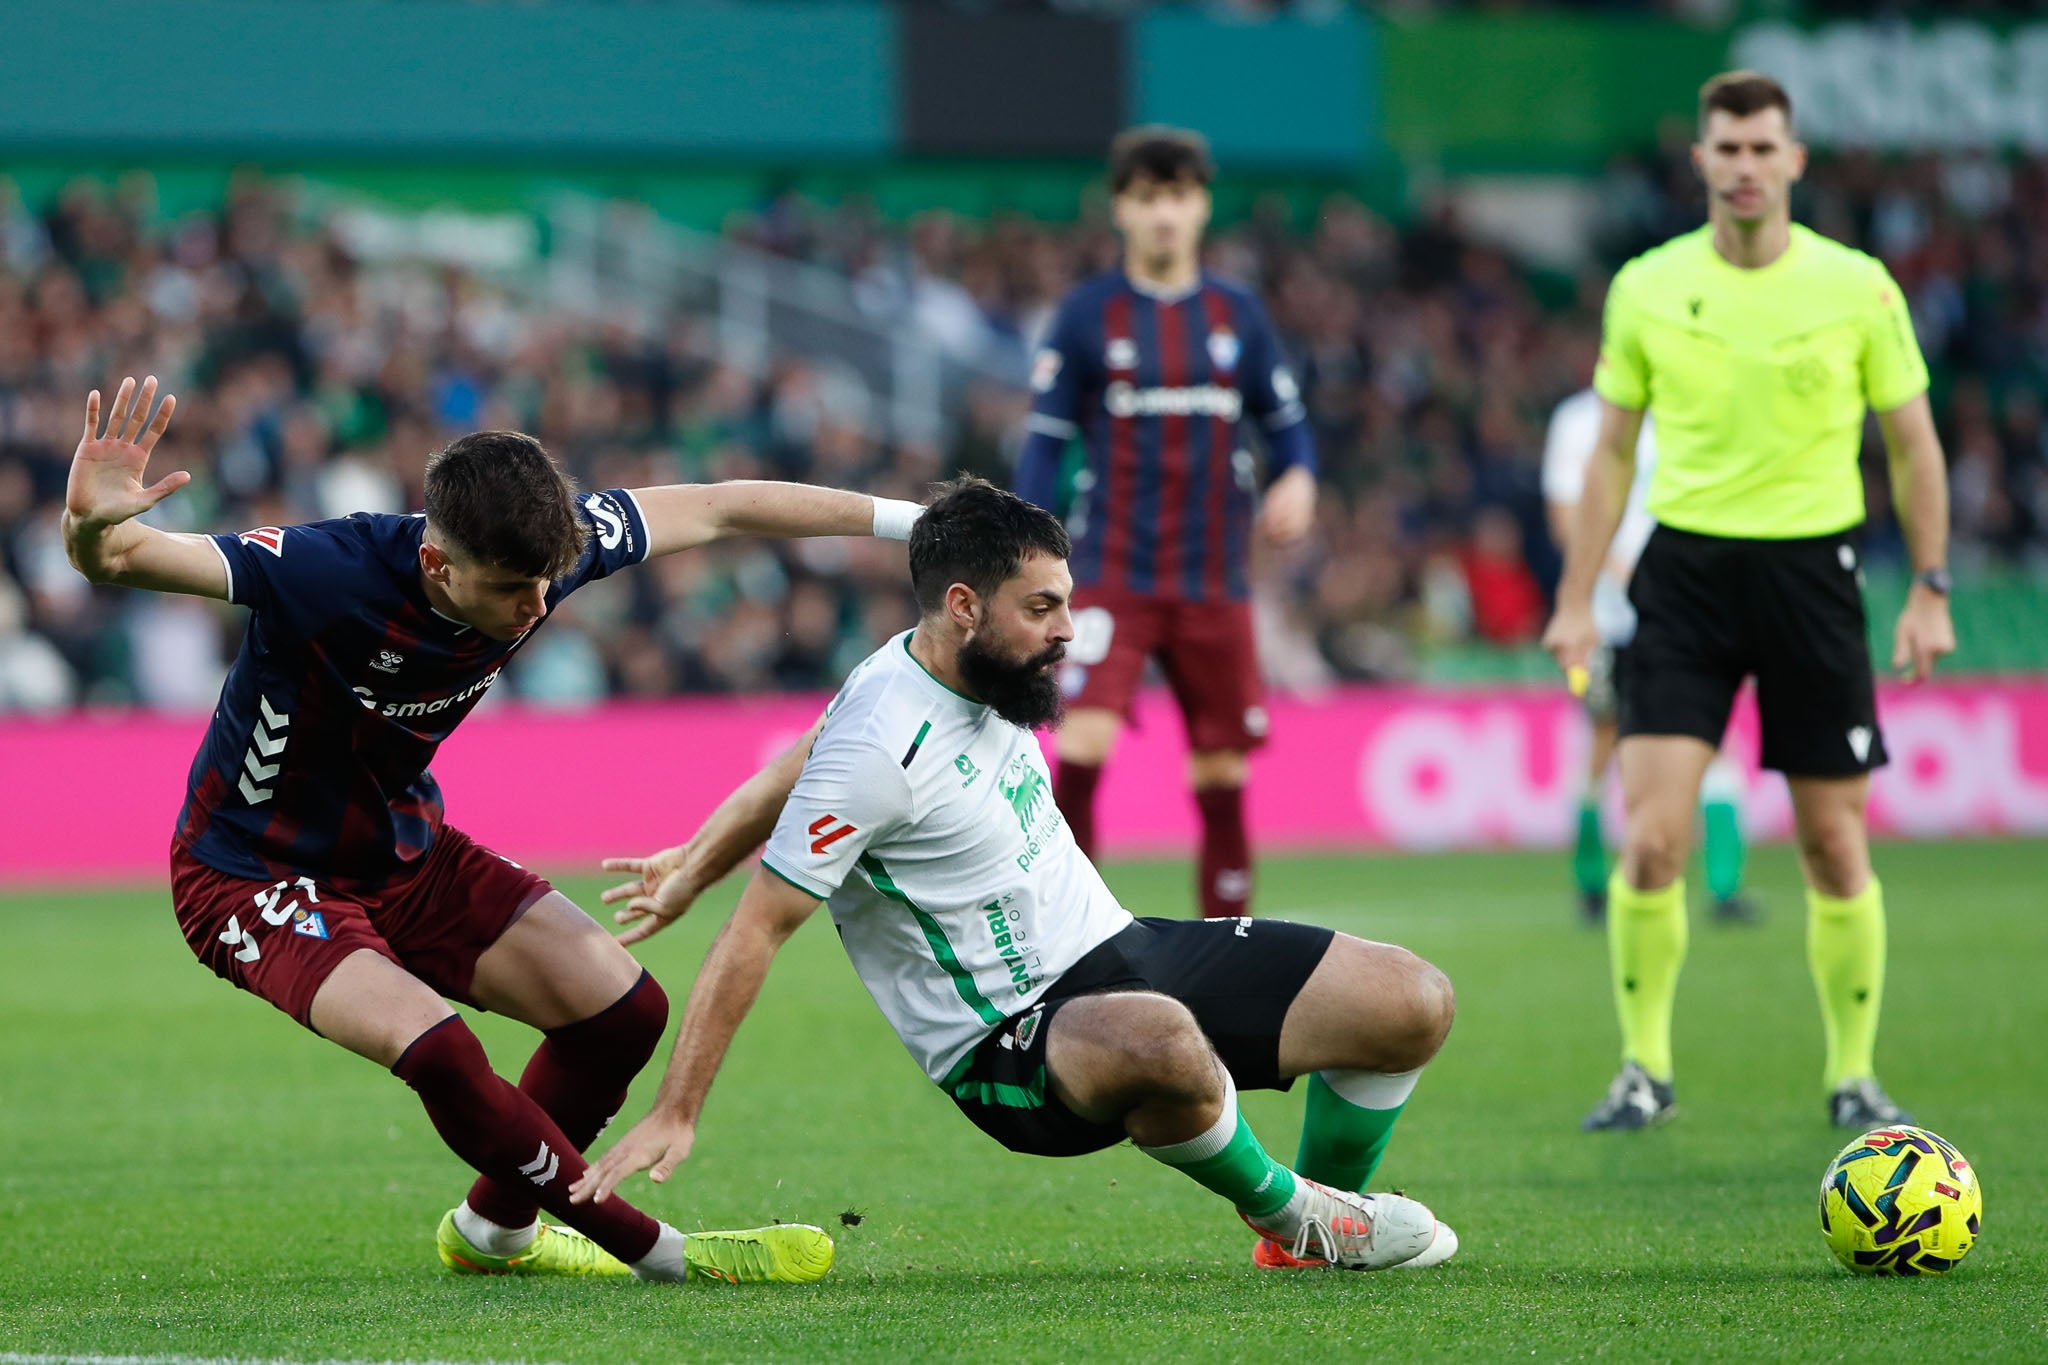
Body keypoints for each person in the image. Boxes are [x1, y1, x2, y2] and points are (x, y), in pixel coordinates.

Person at [63, 375, 925, 1282]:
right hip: (248, 870)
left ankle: (495, 1231)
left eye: (547, 584)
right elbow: (122, 559)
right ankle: (658, 1253)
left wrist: (912, 522)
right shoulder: (326, 569)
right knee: (439, 1047)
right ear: (439, 565)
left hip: (399, 848)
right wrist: (90, 525)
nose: (536, 608)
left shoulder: (550, 555)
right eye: (514, 589)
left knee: (624, 1011)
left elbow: (719, 507)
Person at [570, 478, 1456, 1275]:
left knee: (1412, 999)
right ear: (963, 605)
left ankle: (1312, 1244)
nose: (1068, 630)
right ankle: (1300, 1215)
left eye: (1065, 603)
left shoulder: (960, 660)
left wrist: (691, 860)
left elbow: (786, 770)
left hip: (1119, 947)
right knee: (1162, 1041)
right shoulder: (882, 747)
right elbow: (757, 927)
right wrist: (677, 1108)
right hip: (1009, 1042)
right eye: (1043, 607)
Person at [1541, 73, 1956, 1133]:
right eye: (1725, 147)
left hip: (1813, 576)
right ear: (1699, 160)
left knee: (1830, 843)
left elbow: (1911, 446)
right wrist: (1576, 597)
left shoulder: (1856, 288)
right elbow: (1610, 456)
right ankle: (1642, 1071)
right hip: (1682, 578)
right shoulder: (1644, 285)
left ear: (1792, 160)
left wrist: (1928, 585)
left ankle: (1853, 1076)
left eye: (1761, 148)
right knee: (1652, 842)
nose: (1742, 166)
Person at [1014, 125, 1317, 920]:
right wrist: (1023, 547)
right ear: (1120, 208)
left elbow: (1288, 426)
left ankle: (1231, 944)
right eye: (1147, 198)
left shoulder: (1238, 314)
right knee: (1081, 747)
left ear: (1202, 205)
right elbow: (1043, 443)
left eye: (1177, 196)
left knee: (1222, 773)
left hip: (1214, 577)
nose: (1164, 215)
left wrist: (1301, 478)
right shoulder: (1086, 315)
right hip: (1113, 568)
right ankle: (1072, 936)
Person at [1541, 387, 1759, 927]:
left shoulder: (1689, 406)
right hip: (1608, 615)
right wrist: (1623, 574)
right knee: (1605, 739)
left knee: (1714, 738)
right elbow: (1566, 517)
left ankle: (1725, 888)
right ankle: (1592, 881)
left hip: (1686, 613)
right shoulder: (1579, 419)